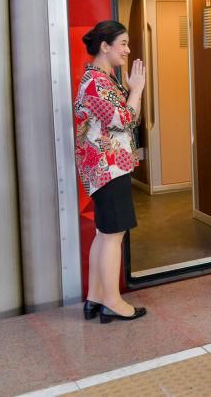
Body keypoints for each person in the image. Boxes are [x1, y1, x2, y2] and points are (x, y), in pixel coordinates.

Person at [74, 20, 147, 323]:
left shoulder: (103, 79)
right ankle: (112, 302)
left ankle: (95, 298)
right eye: (123, 44)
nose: (128, 51)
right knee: (113, 236)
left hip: (107, 167)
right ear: (105, 46)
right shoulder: (97, 82)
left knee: (104, 234)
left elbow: (129, 118)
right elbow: (125, 119)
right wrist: (137, 89)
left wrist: (131, 91)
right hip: (109, 168)